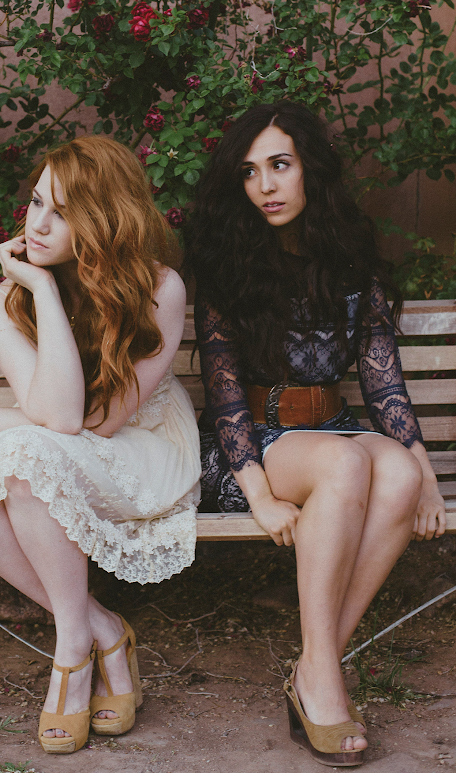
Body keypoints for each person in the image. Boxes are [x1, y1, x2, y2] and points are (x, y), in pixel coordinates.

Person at [184, 100, 445, 767]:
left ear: (311, 170)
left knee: (392, 470)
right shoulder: (227, 266)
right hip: (247, 449)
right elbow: (222, 396)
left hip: (328, 428)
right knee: (344, 463)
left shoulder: (352, 264)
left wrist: (424, 474)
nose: (265, 186)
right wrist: (259, 495)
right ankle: (325, 683)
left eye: (280, 165)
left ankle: (312, 666)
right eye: (249, 172)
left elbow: (383, 383)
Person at [0, 136, 201, 754]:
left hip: (144, 449)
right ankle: (97, 628)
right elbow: (56, 417)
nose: (39, 224)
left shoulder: (159, 287)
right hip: (59, 447)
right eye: (35, 203)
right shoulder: (2, 306)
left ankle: (71, 654)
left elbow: (91, 421)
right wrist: (42, 291)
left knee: (26, 462)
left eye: (64, 211)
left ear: (104, 217)